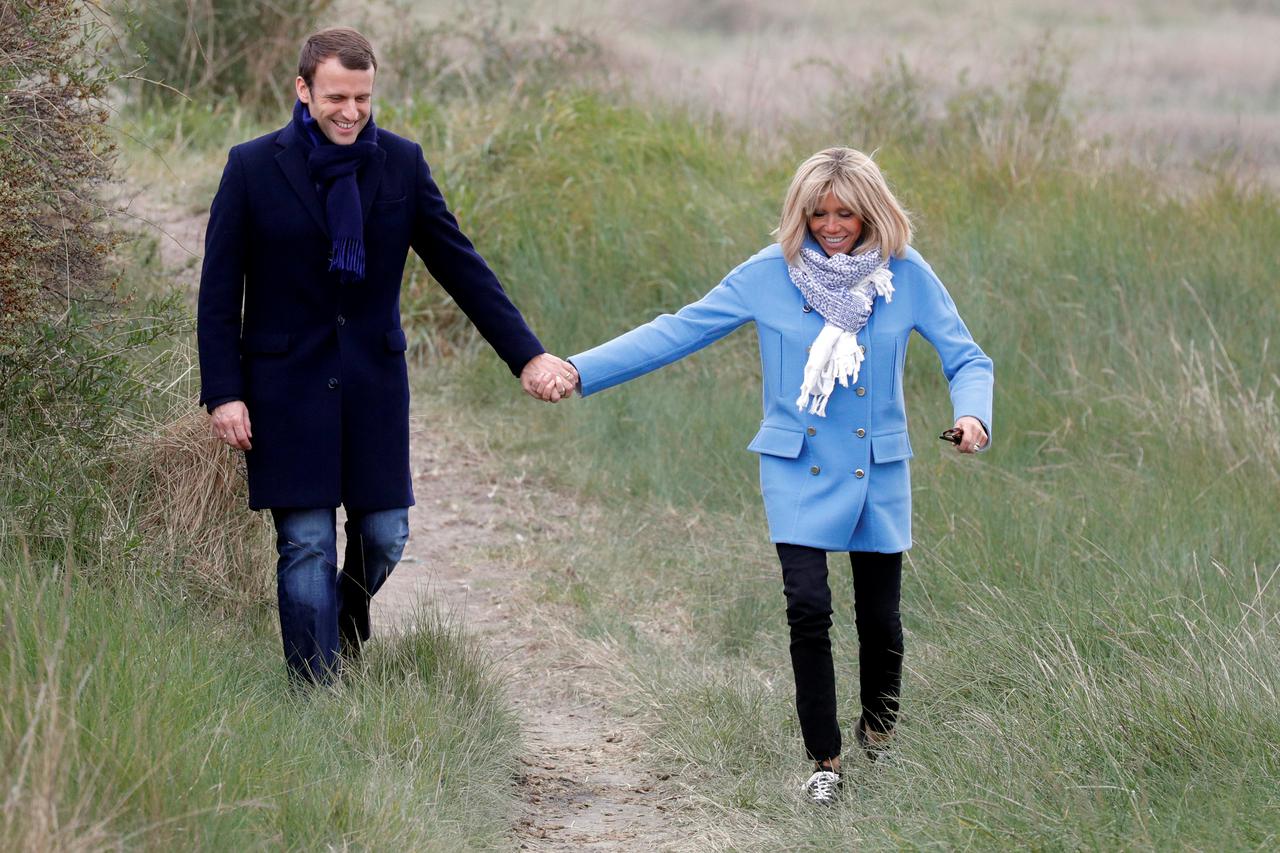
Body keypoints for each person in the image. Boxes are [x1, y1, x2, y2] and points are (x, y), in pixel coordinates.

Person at [562, 148, 993, 804]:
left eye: (845, 212)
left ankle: (879, 737)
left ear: (871, 211)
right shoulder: (773, 274)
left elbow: (967, 356)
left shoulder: (906, 276)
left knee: (881, 619)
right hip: (795, 463)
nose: (831, 224)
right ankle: (825, 760)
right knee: (808, 606)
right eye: (817, 212)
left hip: (876, 466)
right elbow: (678, 330)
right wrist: (578, 368)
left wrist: (973, 417)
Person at [197, 27, 576, 685]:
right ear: (303, 89)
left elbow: (462, 266)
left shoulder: (399, 164)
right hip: (283, 387)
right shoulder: (253, 167)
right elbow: (219, 291)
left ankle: (343, 630)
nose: (350, 111)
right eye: (336, 96)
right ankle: (315, 696)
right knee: (307, 541)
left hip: (373, 384)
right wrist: (224, 391)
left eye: (363, 98)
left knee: (385, 535)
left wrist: (528, 356)